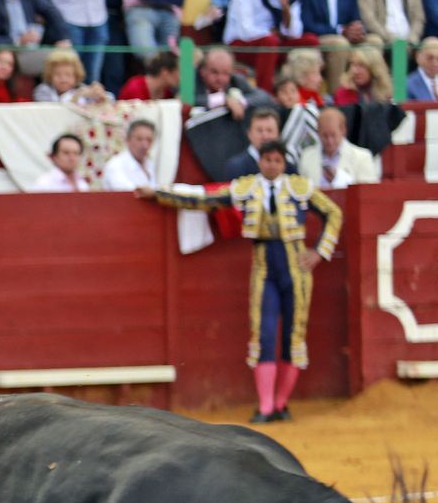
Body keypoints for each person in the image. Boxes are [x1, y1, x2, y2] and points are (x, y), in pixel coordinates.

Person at [140, 137, 341, 423]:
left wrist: (320, 250)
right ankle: (266, 406)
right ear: (260, 161)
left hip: (296, 269)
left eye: (277, 161)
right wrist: (159, 193)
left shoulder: (300, 188)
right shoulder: (247, 188)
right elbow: (203, 199)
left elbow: (334, 212)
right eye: (267, 160)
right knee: (264, 333)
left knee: (292, 336)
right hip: (264, 268)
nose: (271, 165)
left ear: (284, 163)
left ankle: (281, 404)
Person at [225, 0, 320, 87]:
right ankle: (265, 90)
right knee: (270, 43)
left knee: (311, 41)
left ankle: (303, 90)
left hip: (275, 42)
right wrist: (271, 35)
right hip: (242, 44)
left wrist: (285, 6)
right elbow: (245, 30)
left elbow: (295, 32)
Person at [299, 0, 367, 89]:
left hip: (344, 36)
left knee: (374, 42)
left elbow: (356, 17)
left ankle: (375, 96)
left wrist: (357, 29)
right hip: (317, 38)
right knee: (339, 44)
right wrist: (340, 31)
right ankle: (337, 96)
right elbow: (307, 24)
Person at [297, 105, 377, 186]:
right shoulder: (306, 157)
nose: (329, 141)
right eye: (324, 135)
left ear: (343, 130)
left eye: (333, 135)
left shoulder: (363, 157)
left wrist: (340, 179)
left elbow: (368, 193)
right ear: (317, 132)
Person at [33, 46, 111, 102]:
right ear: (50, 75)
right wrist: (78, 96)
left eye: (68, 75)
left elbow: (110, 99)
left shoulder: (82, 88)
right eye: (57, 74)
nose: (63, 79)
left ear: (76, 75)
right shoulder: (42, 90)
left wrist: (99, 94)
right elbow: (56, 108)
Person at [224, 105, 284, 177]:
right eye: (259, 130)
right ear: (249, 133)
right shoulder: (236, 167)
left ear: (278, 134)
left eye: (269, 130)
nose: (265, 136)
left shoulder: (288, 166)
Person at [101, 118, 159, 190]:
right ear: (128, 140)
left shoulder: (149, 163)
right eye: (139, 139)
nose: (145, 145)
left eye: (149, 140)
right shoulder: (115, 164)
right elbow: (129, 193)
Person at [116, 48, 181, 98]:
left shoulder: (167, 94)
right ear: (165, 72)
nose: (182, 77)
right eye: (179, 71)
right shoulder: (135, 87)